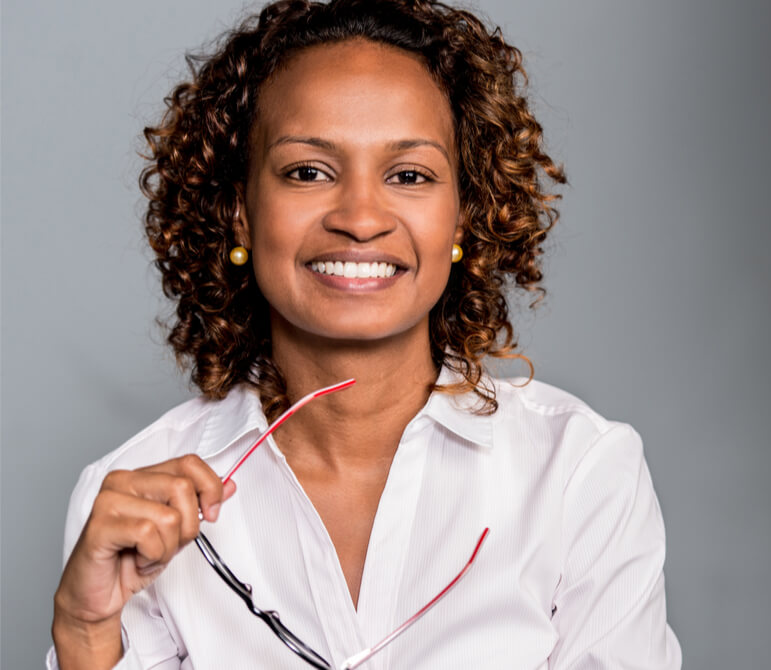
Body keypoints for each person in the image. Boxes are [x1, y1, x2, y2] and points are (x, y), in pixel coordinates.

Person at [47, 1, 682, 668]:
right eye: (307, 172)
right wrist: (86, 634)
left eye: (409, 175)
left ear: (464, 217)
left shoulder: (580, 475)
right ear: (239, 213)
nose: (359, 217)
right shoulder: (128, 499)